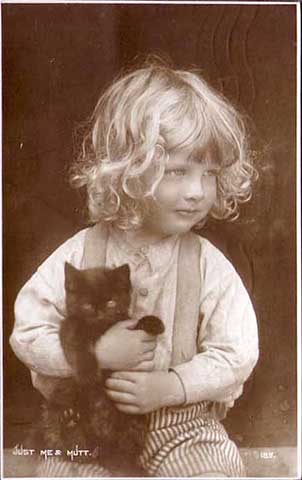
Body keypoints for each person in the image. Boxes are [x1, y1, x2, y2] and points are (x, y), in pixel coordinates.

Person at [10, 61, 259, 478]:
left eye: (210, 174)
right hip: (88, 426)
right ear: (130, 170)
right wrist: (91, 356)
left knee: (212, 471)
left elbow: (238, 351)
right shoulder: (82, 252)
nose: (197, 191)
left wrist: (173, 385)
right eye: (179, 171)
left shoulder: (206, 263)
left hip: (182, 426)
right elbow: (27, 332)